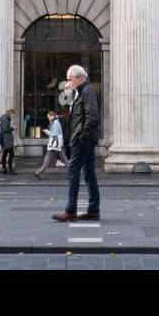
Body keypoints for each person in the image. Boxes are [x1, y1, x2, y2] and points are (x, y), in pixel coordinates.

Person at [54, 64, 101, 222]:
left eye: (70, 80)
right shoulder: (78, 93)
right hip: (82, 138)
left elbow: (92, 116)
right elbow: (65, 111)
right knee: (89, 174)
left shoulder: (88, 91)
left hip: (84, 139)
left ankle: (71, 210)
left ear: (80, 78)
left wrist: (81, 135)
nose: (68, 83)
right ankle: (93, 210)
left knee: (73, 170)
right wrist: (67, 94)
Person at [34, 110, 65, 178]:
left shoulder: (56, 123)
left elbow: (54, 134)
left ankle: (73, 172)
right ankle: (38, 172)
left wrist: (47, 131)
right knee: (47, 159)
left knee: (64, 159)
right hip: (56, 145)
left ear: (52, 116)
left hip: (57, 144)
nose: (48, 118)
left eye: (49, 117)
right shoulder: (54, 122)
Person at [0, 108, 17, 175]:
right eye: (13, 115)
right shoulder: (5, 119)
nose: (13, 116)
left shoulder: (5, 118)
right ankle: (10, 169)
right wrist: (12, 128)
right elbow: (5, 129)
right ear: (10, 114)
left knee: (5, 154)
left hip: (5, 139)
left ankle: (4, 169)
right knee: (11, 154)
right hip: (6, 139)